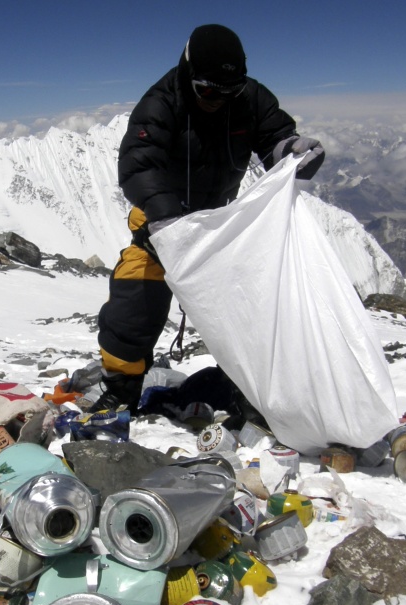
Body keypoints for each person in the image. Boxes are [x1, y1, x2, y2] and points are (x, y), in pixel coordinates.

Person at [92, 23, 325, 413]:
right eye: (208, 91)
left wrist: (292, 152)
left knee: (251, 311)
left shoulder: (250, 99)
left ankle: (248, 391)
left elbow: (274, 137)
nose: (219, 100)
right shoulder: (161, 103)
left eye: (229, 91)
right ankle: (121, 390)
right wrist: (167, 222)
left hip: (219, 229)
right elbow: (138, 165)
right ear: (188, 73)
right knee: (132, 310)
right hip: (159, 230)